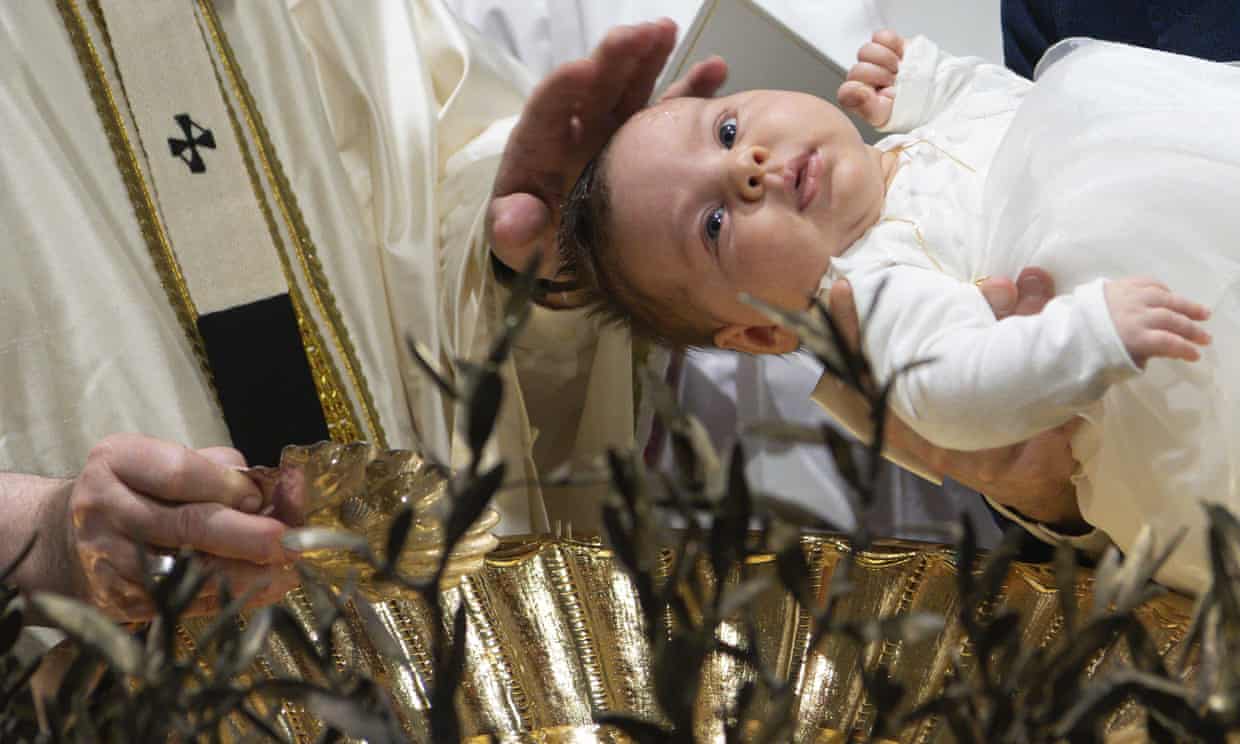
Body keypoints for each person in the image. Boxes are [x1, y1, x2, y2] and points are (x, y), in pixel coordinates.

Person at [557, 29, 1240, 592]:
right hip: (1178, 361)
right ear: (765, 330)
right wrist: (1085, 334)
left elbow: (1015, 103)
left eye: (729, 129)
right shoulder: (875, 289)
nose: (748, 168)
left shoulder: (917, 136)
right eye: (711, 223)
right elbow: (953, 392)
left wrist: (927, 80)